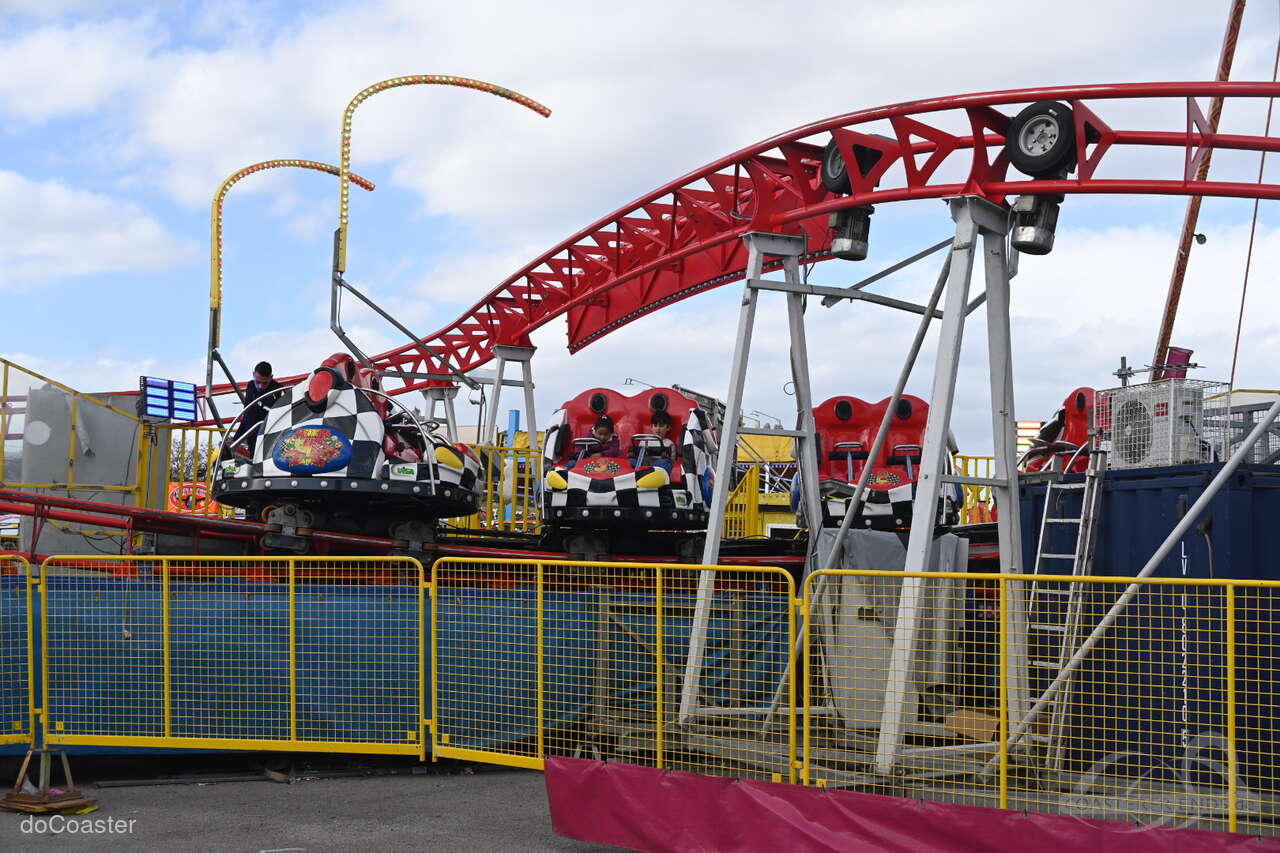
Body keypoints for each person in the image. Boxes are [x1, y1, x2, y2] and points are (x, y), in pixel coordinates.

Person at [233, 361, 282, 456]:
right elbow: (246, 414)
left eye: (265, 383)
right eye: (258, 382)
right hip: (251, 432)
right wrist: (235, 439)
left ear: (271, 378)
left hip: (268, 437)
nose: (260, 386)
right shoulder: (250, 386)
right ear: (253, 375)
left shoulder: (277, 390)